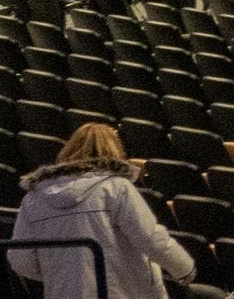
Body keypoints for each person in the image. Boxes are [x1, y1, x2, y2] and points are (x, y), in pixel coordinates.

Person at [9, 123, 199, 299]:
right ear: (114, 151)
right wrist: (184, 268)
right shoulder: (116, 188)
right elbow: (148, 237)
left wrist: (64, 278)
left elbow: (20, 258)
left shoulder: (33, 198)